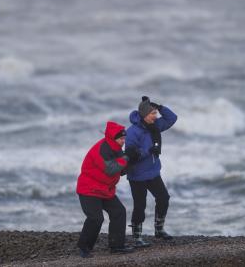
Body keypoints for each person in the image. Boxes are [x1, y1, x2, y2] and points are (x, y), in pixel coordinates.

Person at [76, 121, 140, 258]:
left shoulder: (115, 148)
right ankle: (84, 247)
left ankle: (117, 246)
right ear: (113, 138)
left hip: (105, 189)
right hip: (89, 189)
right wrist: (127, 157)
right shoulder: (102, 149)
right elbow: (110, 169)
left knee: (119, 212)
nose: (123, 141)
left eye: (124, 138)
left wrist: (132, 159)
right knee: (96, 218)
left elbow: (120, 169)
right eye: (121, 138)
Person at [126, 96, 178, 247]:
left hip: (153, 172)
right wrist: (149, 151)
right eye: (152, 113)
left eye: (155, 113)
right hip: (137, 175)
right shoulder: (132, 132)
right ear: (144, 115)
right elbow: (131, 155)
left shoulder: (155, 125)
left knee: (163, 198)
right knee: (140, 206)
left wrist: (160, 107)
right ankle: (137, 237)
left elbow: (172, 118)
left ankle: (159, 229)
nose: (155, 116)